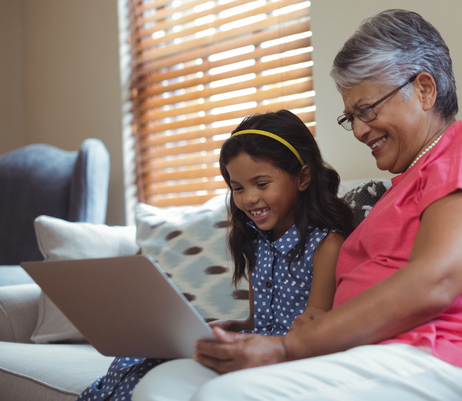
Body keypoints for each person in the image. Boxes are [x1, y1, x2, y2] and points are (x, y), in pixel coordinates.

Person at [133, 9, 462, 401]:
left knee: (223, 396)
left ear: (424, 89)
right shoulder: (398, 190)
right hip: (368, 352)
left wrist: (288, 347)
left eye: (367, 109)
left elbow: (436, 280)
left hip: (454, 356)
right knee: (163, 385)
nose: (359, 130)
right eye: (351, 116)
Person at [79, 110, 352, 401]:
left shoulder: (327, 245)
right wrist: (231, 327)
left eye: (261, 184)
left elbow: (314, 329)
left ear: (303, 177)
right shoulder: (255, 242)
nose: (248, 198)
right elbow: (256, 320)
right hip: (253, 345)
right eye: (237, 188)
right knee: (132, 360)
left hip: (285, 359)